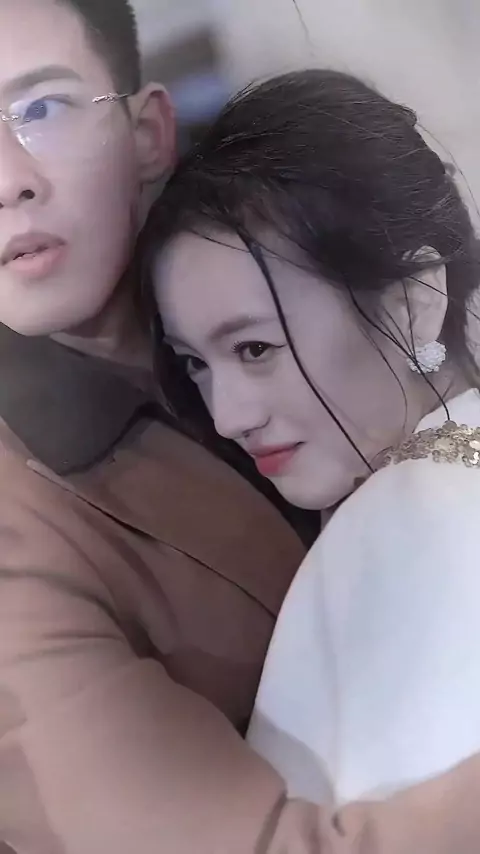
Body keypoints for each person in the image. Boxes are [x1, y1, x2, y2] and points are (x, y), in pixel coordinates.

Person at [145, 68, 480, 846]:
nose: (228, 416)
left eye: (255, 348)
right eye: (195, 364)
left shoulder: (400, 521)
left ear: (413, 299)